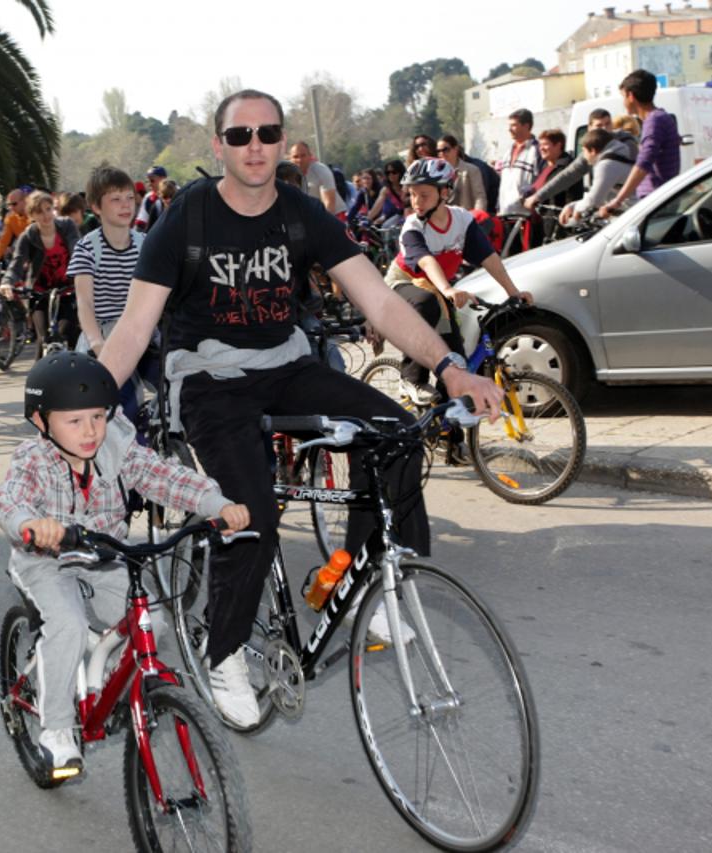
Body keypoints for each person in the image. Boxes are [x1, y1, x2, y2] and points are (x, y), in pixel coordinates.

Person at [96, 88, 503, 727]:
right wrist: (88, 407)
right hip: (210, 380)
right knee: (250, 512)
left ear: (282, 141)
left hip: (286, 366)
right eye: (240, 136)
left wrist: (450, 367)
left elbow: (381, 300)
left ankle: (380, 587)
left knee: (396, 433)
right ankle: (222, 647)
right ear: (219, 146)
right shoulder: (187, 218)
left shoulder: (300, 213)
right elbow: (135, 326)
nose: (255, 146)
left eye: (267, 133)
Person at [0, 351, 249, 775]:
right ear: (41, 422)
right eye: (74, 421)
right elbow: (8, 498)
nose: (90, 430)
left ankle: (106, 682)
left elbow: (165, 477)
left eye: (98, 416)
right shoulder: (33, 459)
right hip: (46, 560)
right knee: (69, 626)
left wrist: (217, 503)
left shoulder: (118, 449)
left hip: (105, 555)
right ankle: (56, 729)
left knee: (153, 624)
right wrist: (30, 523)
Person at [382, 158, 532, 407]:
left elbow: (489, 258)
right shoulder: (413, 224)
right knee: (426, 303)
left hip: (438, 289)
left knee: (456, 362)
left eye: (424, 195)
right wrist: (448, 289)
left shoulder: (462, 220)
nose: (416, 202)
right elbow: (427, 262)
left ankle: (447, 434)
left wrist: (513, 292)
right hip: (404, 284)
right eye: (412, 195)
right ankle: (411, 378)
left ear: (445, 192)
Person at [69, 166, 153, 425]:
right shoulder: (87, 248)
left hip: (145, 332)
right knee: (122, 403)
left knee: (182, 385)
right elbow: (84, 302)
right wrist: (96, 343)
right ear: (96, 207)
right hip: (106, 335)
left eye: (129, 197)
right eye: (115, 199)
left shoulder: (147, 244)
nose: (125, 205)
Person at [2, 190, 81, 356]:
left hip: (67, 290)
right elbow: (17, 263)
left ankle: (75, 372)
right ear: (31, 215)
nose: (46, 215)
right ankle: (38, 380)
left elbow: (78, 251)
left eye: (48, 209)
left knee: (66, 330)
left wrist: (84, 273)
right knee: (44, 338)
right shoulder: (28, 237)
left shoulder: (67, 226)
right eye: (39, 212)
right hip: (40, 293)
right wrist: (7, 282)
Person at [598, 69, 682, 219]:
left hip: (657, 203)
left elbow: (644, 163)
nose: (623, 102)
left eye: (623, 96)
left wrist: (617, 201)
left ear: (631, 96)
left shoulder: (654, 121)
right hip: (659, 200)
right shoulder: (662, 118)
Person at [522, 108, 629, 212]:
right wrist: (538, 196)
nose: (605, 129)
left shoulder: (622, 148)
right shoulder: (594, 150)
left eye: (608, 124)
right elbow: (569, 174)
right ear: (589, 128)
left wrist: (573, 208)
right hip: (613, 209)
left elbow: (593, 200)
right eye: (599, 126)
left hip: (631, 209)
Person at [558, 128, 634, 226]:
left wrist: (575, 208)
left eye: (584, 151)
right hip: (634, 209)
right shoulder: (618, 156)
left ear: (593, 151)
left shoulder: (606, 165)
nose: (584, 157)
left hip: (635, 213)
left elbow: (594, 201)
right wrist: (573, 206)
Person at [498, 109, 542, 217]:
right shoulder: (508, 152)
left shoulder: (537, 151)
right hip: (505, 213)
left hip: (526, 216)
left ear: (526, 126)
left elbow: (540, 182)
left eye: (514, 125)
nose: (509, 130)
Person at [289, 141, 347, 217]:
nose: (300, 160)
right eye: (295, 157)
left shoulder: (320, 170)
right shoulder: (288, 175)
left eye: (303, 156)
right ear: (290, 159)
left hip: (335, 215)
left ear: (310, 156)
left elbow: (329, 203)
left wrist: (324, 225)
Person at [436, 135, 487, 212]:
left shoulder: (472, 170)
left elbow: (479, 197)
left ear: (456, 149)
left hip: (466, 217)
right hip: (444, 219)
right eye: (439, 151)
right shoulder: (436, 173)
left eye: (445, 149)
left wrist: (477, 217)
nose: (442, 153)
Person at [368, 160, 408, 226]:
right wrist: (368, 219)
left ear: (401, 172)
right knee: (386, 226)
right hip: (400, 216)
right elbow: (377, 206)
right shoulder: (386, 189)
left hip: (414, 214)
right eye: (388, 172)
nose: (390, 175)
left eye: (394, 172)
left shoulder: (409, 185)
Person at [0, 189, 30, 261]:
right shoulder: (10, 218)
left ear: (24, 201)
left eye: (14, 204)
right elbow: (3, 241)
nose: (11, 207)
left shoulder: (36, 213)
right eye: (9, 205)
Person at [134, 166, 168, 232]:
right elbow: (140, 223)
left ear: (163, 179)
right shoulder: (148, 198)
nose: (149, 184)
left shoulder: (179, 194)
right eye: (148, 181)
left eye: (152, 180)